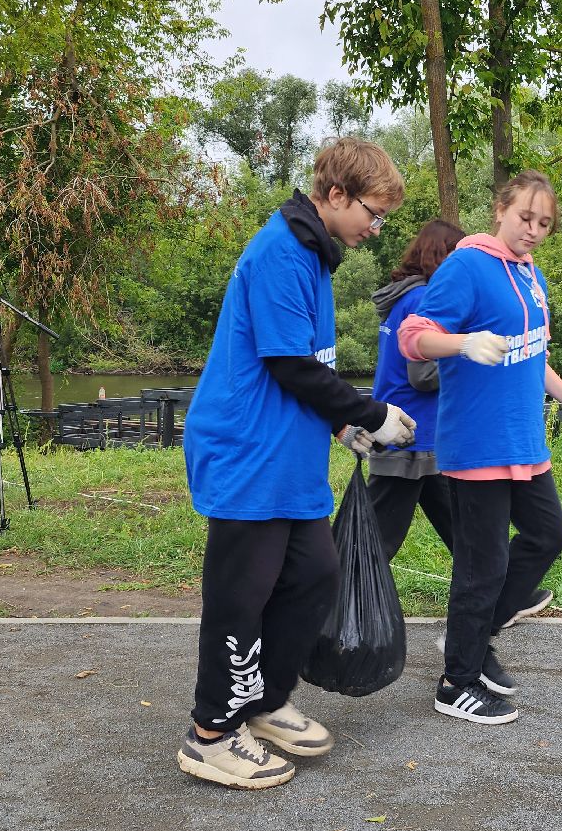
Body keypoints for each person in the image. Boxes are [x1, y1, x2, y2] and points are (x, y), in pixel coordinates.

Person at [177, 138, 417, 789]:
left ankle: (261, 700)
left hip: (289, 457)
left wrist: (340, 420)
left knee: (313, 575)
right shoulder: (282, 252)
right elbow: (287, 365)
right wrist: (369, 412)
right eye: (373, 211)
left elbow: (308, 366)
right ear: (335, 195)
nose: (377, 226)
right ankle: (212, 735)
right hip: (248, 454)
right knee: (241, 597)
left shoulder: (314, 257)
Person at [398, 170, 562, 725]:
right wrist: (462, 343)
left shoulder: (530, 274)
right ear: (500, 209)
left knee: (547, 536)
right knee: (482, 566)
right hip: (477, 443)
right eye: (525, 218)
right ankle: (456, 682)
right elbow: (412, 338)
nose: (534, 230)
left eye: (544, 223)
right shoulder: (468, 266)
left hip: (524, 441)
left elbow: (533, 355)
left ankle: (476, 638)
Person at [364, 219, 466, 560]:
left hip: (422, 435)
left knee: (465, 527)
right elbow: (422, 375)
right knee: (371, 544)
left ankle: (507, 593)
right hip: (408, 437)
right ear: (443, 256)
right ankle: (328, 605)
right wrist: (469, 356)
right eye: (459, 258)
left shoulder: (406, 296)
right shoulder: (424, 299)